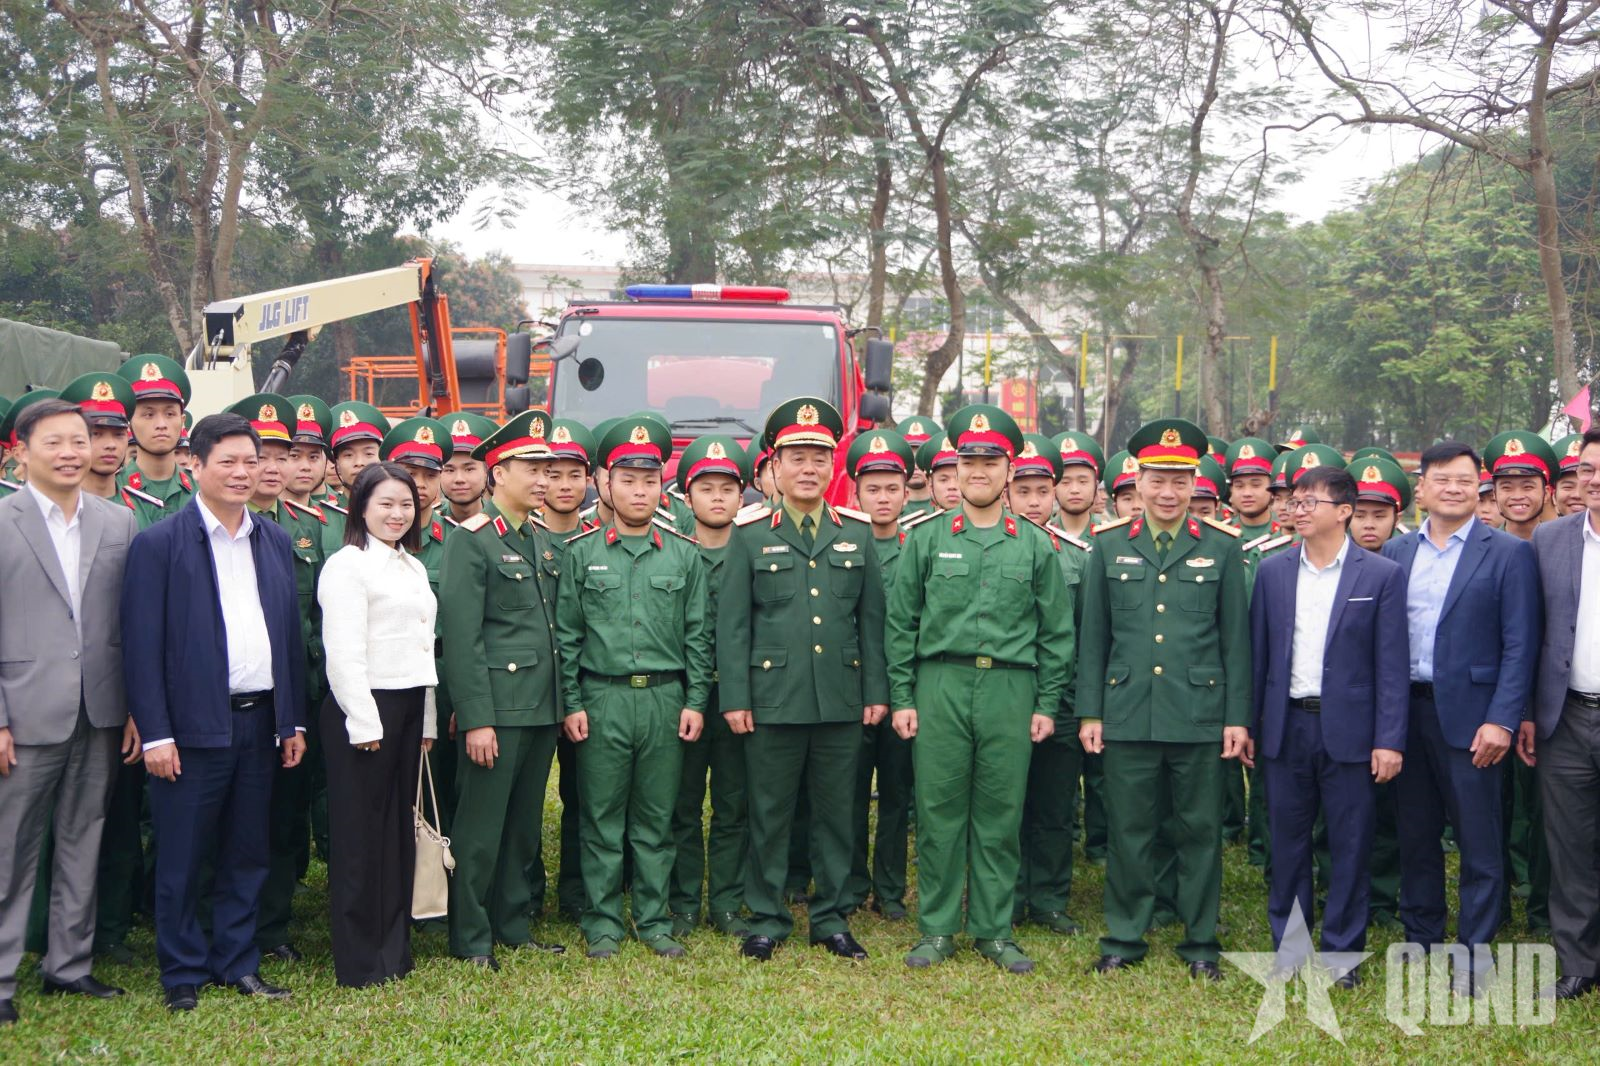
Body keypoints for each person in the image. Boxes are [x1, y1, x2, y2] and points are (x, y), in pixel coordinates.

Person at [121, 413, 307, 1013]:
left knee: (247, 851)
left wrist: (291, 721)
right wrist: (157, 733)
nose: (242, 472)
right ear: (194, 465)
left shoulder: (272, 540)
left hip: (260, 722)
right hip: (191, 727)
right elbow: (141, 649)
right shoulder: (159, 544)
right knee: (182, 854)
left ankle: (237, 961)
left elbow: (287, 637)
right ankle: (181, 971)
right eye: (227, 461)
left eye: (252, 461)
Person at [1077, 418, 1251, 981]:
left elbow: (1235, 641)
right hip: (1127, 710)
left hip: (1199, 714)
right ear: (1139, 482)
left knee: (1198, 831)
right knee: (1129, 831)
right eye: (1158, 480)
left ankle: (1200, 940)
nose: (1169, 492)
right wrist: (1091, 711)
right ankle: (1124, 936)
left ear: (1196, 484)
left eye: (1180, 481)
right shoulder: (1108, 544)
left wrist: (1237, 718)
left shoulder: (1222, 546)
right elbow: (1094, 637)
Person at [717, 396, 888, 963]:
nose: (809, 468)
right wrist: (736, 697)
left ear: (833, 465)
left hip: (840, 698)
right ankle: (766, 918)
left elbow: (871, 622)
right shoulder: (749, 533)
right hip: (773, 699)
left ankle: (831, 918)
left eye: (819, 457)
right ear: (775, 465)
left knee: (837, 814)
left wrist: (876, 693)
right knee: (769, 813)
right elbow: (734, 625)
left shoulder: (856, 533)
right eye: (797, 458)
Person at [1381, 441, 1540, 998]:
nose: (1453, 489)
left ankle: (1474, 952)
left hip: (1475, 722)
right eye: (1442, 479)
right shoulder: (1397, 552)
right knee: (1416, 834)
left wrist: (1502, 719)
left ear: (1480, 489)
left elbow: (1521, 645)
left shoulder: (1508, 554)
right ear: (1421, 488)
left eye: (1465, 480)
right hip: (1406, 716)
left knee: (1479, 841)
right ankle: (1421, 938)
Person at [0, 398, 139, 1026]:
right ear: (21, 451)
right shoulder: (5, 522)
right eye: (53, 442)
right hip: (24, 711)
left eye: (78, 441)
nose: (69, 453)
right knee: (12, 846)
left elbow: (129, 624)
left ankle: (69, 964)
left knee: (85, 837)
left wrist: (135, 708)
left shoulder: (118, 522)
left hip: (100, 709)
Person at [557, 418, 713, 959]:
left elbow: (698, 635)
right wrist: (572, 702)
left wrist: (696, 701)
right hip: (603, 699)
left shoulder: (684, 553)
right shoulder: (581, 553)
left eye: (649, 480)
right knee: (601, 818)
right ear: (606, 483)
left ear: (662, 485)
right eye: (627, 480)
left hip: (665, 699)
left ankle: (653, 919)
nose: (639, 491)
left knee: (656, 819)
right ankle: (602, 921)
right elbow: (567, 636)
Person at [1249, 466, 1408, 988]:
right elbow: (1258, 657)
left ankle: (1342, 953)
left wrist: (1389, 739)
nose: (1297, 510)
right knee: (1288, 845)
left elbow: (1391, 666)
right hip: (1286, 726)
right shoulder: (1272, 572)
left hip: (1352, 733)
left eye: (1308, 502)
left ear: (1343, 511)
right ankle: (1290, 950)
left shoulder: (1380, 575)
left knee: (1350, 845)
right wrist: (1251, 725)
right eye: (1293, 501)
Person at [437, 409, 565, 969]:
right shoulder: (473, 541)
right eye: (530, 468)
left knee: (522, 829)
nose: (542, 479)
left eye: (546, 469)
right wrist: (476, 718)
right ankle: (471, 936)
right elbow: (462, 639)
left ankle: (513, 925)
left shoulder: (539, 538)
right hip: (498, 711)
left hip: (540, 709)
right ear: (498, 473)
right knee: (480, 830)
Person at [318, 462, 438, 987]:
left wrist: (426, 718)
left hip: (408, 707)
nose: (397, 514)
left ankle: (394, 950)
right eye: (385, 503)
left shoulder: (411, 565)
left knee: (395, 835)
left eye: (406, 504)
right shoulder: (347, 566)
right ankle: (360, 959)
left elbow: (421, 649)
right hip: (365, 712)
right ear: (361, 507)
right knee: (360, 839)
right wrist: (364, 722)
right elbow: (343, 653)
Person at [1004, 432, 1091, 939]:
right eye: (1023, 491)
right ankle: (1009, 896)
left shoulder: (1078, 556)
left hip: (1062, 700)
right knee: (1005, 806)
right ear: (1006, 492)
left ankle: (1050, 900)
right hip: (1007, 698)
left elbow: (1085, 636)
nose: (1034, 502)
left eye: (1042, 491)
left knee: (1056, 808)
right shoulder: (993, 549)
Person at [668, 435, 753, 937]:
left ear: (742, 496)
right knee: (681, 806)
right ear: (687, 496)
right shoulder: (673, 551)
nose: (717, 498)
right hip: (684, 699)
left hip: (739, 698)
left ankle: (725, 903)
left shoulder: (755, 549)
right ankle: (682, 904)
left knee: (732, 805)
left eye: (727, 489)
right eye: (706, 489)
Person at [1529, 428, 1600, 1000]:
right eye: (1587, 470)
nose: (1593, 481)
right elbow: (1529, 634)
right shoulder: (1549, 540)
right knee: (1570, 845)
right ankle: (1578, 961)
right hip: (1567, 717)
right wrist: (1528, 712)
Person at [841, 429, 917, 921]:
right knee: (847, 795)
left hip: (905, 691)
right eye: (873, 489)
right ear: (856, 493)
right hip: (851, 690)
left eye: (892, 488)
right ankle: (850, 885)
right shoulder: (842, 544)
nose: (883, 498)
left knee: (896, 794)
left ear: (907, 493)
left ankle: (889, 890)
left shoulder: (919, 546)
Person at [319, 402, 392, 553]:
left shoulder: (398, 516)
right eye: (348, 455)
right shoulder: (319, 519)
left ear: (383, 459)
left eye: (368, 454)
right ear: (336, 462)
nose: (359, 463)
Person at [441, 414, 497, 526]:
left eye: (469, 469)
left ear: (486, 473)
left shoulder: (505, 524)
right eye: (450, 470)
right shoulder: (423, 524)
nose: (459, 479)